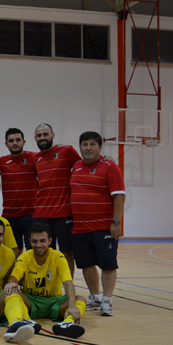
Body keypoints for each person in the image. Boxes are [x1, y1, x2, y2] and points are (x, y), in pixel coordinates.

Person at [70, 131, 125, 316]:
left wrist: (116, 222)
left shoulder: (110, 167)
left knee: (108, 264)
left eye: (92, 144)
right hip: (79, 228)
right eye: (84, 144)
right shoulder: (75, 166)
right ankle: (95, 297)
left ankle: (107, 300)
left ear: (100, 147)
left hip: (103, 227)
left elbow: (119, 196)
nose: (88, 148)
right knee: (86, 264)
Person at [3, 222, 87, 339]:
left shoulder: (58, 257)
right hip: (31, 302)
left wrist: (72, 305)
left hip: (54, 302)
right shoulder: (25, 257)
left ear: (50, 241)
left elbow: (68, 283)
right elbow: (14, 277)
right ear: (29, 241)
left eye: (42, 241)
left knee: (80, 299)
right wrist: (12, 282)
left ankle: (67, 323)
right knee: (12, 292)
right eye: (34, 241)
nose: (38, 245)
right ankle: (24, 320)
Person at [32, 123, 81, 276]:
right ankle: (50, 287)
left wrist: (103, 158)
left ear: (52, 135)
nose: (42, 138)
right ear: (35, 138)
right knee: (44, 253)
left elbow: (83, 166)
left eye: (45, 134)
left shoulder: (66, 151)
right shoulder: (35, 158)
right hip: (41, 214)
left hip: (63, 213)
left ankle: (68, 288)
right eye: (39, 135)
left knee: (66, 252)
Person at [0, 127, 37, 255]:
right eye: (11, 140)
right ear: (6, 144)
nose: (15, 143)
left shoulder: (34, 158)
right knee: (13, 252)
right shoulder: (1, 162)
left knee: (32, 252)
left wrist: (59, 147)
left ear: (24, 142)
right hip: (9, 216)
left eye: (18, 140)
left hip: (30, 214)